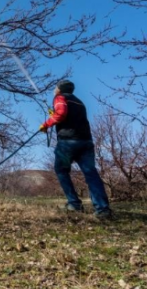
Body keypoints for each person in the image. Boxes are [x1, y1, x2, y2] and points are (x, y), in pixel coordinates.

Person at [40, 80, 113, 220]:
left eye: (55, 88)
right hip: (86, 141)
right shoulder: (79, 101)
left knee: (61, 170)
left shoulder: (60, 98)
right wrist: (54, 115)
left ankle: (74, 203)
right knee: (91, 174)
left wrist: (46, 124)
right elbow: (65, 115)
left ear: (59, 89)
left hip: (68, 142)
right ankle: (103, 209)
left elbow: (61, 114)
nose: (54, 90)